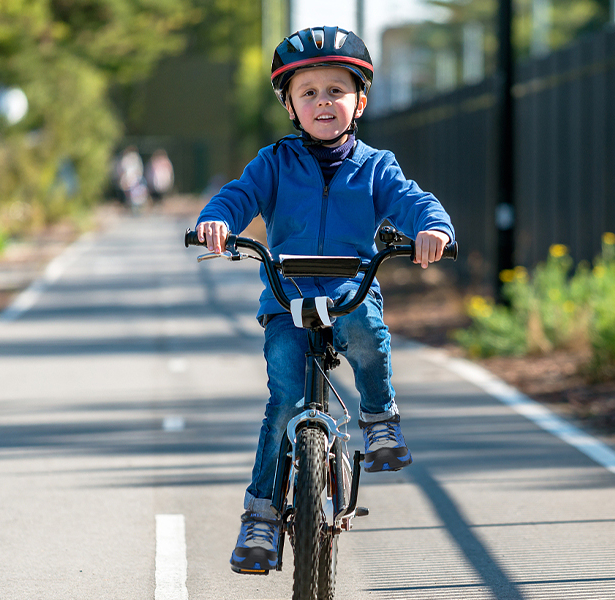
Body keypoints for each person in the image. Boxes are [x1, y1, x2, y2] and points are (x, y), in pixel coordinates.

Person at [194, 26, 455, 575]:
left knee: (367, 335)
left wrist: (433, 229)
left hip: (348, 289)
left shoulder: (377, 167)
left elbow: (413, 202)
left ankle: (380, 416)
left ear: (360, 101)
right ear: (289, 104)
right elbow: (238, 196)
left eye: (336, 90)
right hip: (286, 295)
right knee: (285, 397)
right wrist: (217, 221)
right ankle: (262, 516)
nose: (322, 102)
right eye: (307, 92)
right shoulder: (273, 163)